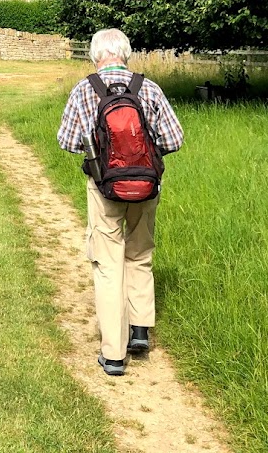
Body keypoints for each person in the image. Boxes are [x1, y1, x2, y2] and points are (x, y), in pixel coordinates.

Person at [57, 28, 183, 377]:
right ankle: (140, 330)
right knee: (140, 253)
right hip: (146, 187)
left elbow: (66, 141)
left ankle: (114, 353)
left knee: (108, 263)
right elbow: (174, 139)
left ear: (95, 56)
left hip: (104, 188)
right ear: (126, 54)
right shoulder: (149, 88)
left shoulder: (85, 89)